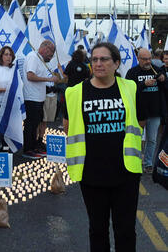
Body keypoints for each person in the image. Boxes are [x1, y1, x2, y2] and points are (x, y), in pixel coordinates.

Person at [63, 42, 144, 252]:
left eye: (104, 59)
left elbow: (139, 122)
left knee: (125, 230)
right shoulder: (74, 93)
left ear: (116, 63)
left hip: (126, 172)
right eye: (94, 59)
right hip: (91, 174)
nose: (98, 64)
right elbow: (67, 126)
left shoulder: (130, 88)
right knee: (97, 230)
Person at [126, 48, 165, 174]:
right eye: (145, 59)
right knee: (136, 138)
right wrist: (143, 84)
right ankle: (136, 161)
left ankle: (148, 163)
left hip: (154, 111)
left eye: (149, 58)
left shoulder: (157, 70)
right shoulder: (132, 72)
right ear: (138, 59)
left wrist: (163, 80)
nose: (148, 61)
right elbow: (128, 91)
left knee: (152, 139)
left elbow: (166, 87)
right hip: (139, 111)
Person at [22, 40, 59, 159]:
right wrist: (48, 80)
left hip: (38, 97)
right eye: (51, 54)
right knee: (31, 125)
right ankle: (28, 149)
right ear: (45, 49)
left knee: (36, 124)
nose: (51, 56)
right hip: (31, 97)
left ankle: (34, 146)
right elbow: (30, 76)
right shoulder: (33, 57)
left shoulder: (40, 59)